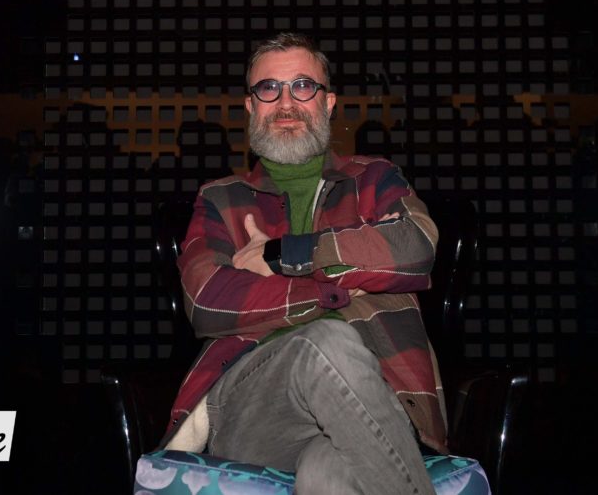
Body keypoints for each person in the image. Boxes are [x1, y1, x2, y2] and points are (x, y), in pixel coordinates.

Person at [160, 33, 445, 494]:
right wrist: (336, 288)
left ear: (328, 103)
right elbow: (209, 300)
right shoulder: (220, 198)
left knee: (326, 475)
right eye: (268, 88)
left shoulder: (375, 178)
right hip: (253, 406)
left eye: (302, 86)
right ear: (251, 107)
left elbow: (414, 247)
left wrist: (286, 256)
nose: (286, 102)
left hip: (377, 397)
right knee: (326, 340)